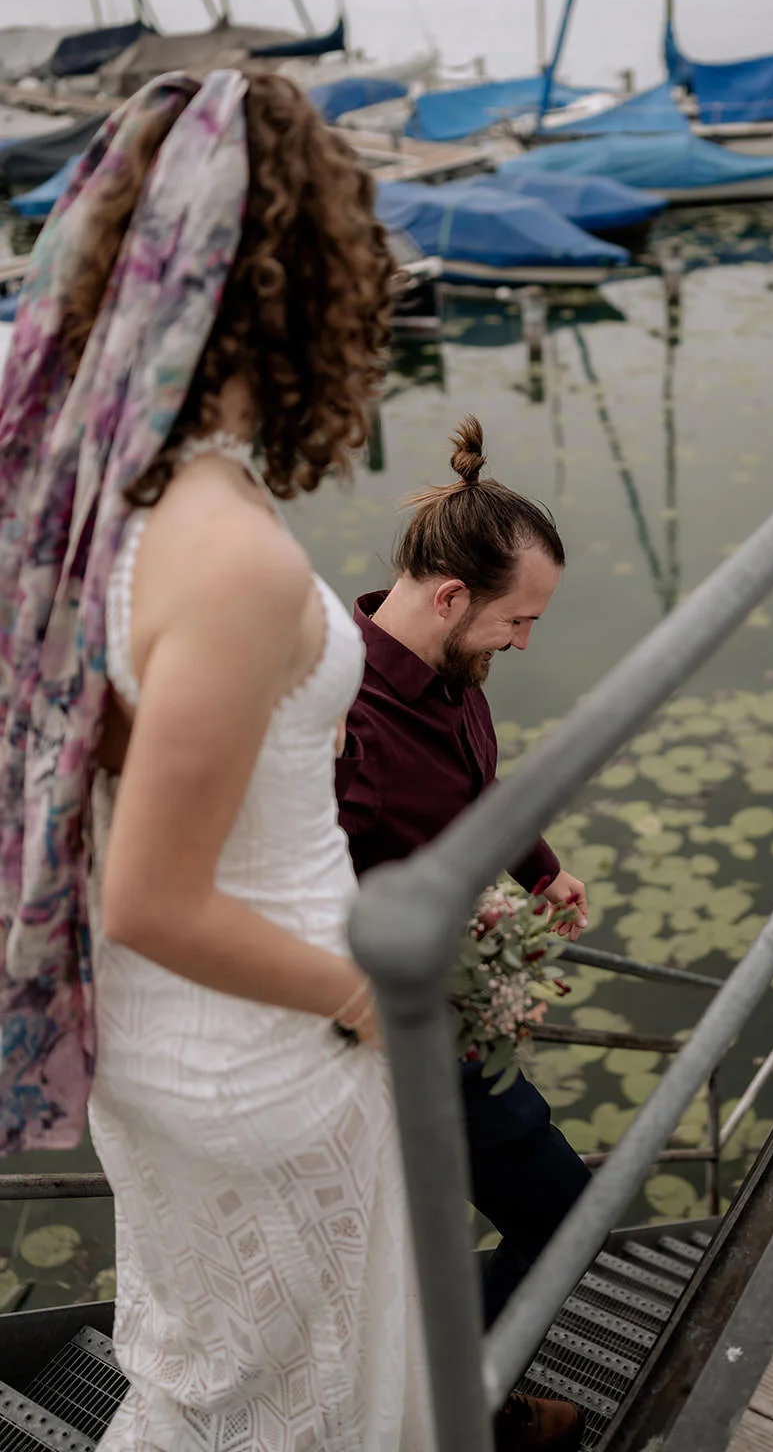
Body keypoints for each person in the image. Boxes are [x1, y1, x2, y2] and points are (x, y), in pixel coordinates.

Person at [0, 70, 431, 1449]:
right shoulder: (230, 554)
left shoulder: (104, 492)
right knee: (274, 1410)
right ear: (307, 274)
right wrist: (365, 992)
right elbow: (152, 895)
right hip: (264, 1036)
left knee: (218, 1385)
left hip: (167, 1032)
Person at [337, 417, 592, 1447]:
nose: (525, 641)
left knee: (507, 1223)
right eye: (517, 620)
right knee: (562, 1215)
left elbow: (479, 790)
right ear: (451, 596)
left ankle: (447, 1386)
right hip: (391, 1040)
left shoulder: (453, 671)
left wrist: (541, 866)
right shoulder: (346, 726)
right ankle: (452, 1400)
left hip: (452, 1014)